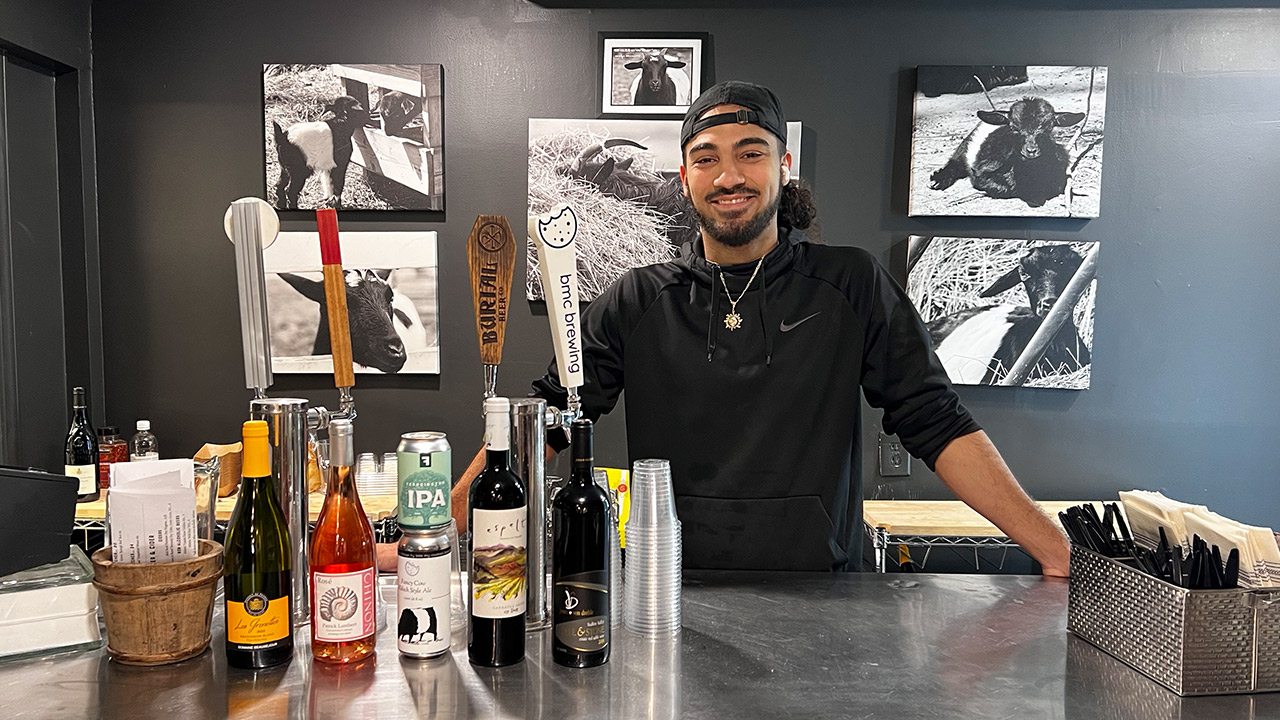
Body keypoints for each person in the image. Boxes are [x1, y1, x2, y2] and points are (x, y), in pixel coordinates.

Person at [420, 80, 1069, 575]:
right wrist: (441, 532)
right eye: (706, 158)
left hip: (825, 600)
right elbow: (552, 417)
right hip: (668, 596)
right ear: (684, 178)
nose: (728, 175)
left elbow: (936, 420)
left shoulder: (850, 284)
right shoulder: (636, 299)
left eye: (750, 153)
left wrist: (1056, 549)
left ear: (783, 168)